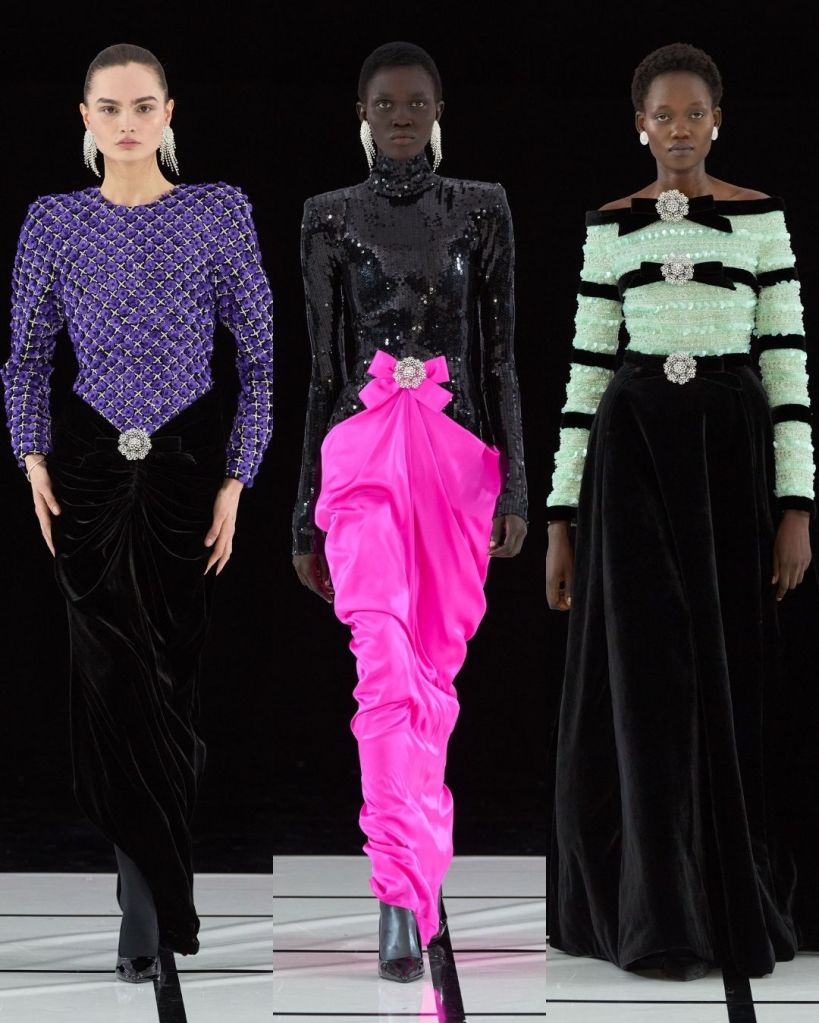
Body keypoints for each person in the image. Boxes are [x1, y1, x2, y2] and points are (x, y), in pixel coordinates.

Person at [546, 42, 817, 981]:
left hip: (730, 463)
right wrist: (560, 518)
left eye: (693, 113)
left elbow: (786, 363)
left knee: (727, 673)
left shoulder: (759, 218)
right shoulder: (608, 227)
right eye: (661, 116)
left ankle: (729, 896)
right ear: (639, 126)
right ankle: (658, 909)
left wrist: (796, 504)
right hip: (630, 464)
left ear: (717, 120)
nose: (678, 130)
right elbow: (585, 373)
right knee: (647, 681)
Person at [3, 43, 274, 983]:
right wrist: (31, 458)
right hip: (85, 477)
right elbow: (27, 355)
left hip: (185, 476)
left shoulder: (216, 211)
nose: (127, 123)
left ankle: (152, 883)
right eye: (110, 108)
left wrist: (237, 478)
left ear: (168, 113)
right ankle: (143, 904)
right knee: (109, 687)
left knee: (167, 690)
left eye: (143, 106)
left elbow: (259, 358)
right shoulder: (53, 221)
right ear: (84, 117)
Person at [292, 41, 527, 982]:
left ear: (437, 109)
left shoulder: (482, 207)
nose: (400, 116)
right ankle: (395, 894)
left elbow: (500, 355)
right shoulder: (326, 216)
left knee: (431, 680)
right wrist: (303, 516)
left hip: (457, 464)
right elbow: (320, 370)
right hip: (359, 461)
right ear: (361, 111)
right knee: (384, 669)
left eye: (415, 102)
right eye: (384, 103)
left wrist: (516, 485)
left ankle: (419, 878)